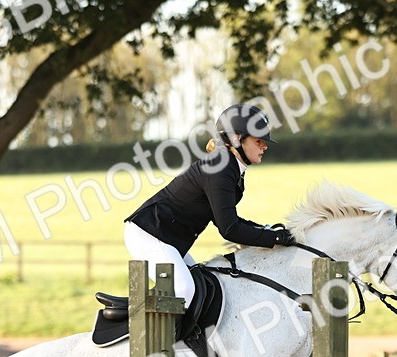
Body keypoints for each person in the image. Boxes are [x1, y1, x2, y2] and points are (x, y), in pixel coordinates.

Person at [124, 104, 296, 308]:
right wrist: (275, 238)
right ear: (235, 139)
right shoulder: (221, 167)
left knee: (201, 286)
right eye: (258, 140)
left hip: (167, 237)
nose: (265, 146)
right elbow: (229, 229)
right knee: (184, 290)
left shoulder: (230, 166)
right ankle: (143, 335)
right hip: (150, 233)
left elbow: (229, 220)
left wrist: (266, 230)